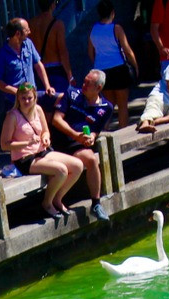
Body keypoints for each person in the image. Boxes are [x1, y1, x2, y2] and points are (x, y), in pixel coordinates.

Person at [0, 84, 83, 219]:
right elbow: (4, 145)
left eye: (29, 98)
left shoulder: (38, 110)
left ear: (34, 98)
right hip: (25, 158)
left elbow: (45, 131)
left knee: (77, 165)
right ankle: (47, 202)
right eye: (23, 98)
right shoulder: (12, 116)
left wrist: (45, 138)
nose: (27, 101)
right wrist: (27, 143)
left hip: (42, 151)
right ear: (18, 99)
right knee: (61, 170)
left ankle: (58, 198)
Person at [50, 70, 114, 221]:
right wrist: (75, 135)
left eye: (88, 83)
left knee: (91, 159)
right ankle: (56, 199)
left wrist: (91, 137)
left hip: (79, 145)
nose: (83, 85)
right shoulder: (71, 94)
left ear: (98, 88)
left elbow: (96, 130)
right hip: (62, 141)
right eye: (84, 81)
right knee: (83, 160)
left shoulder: (106, 107)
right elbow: (56, 120)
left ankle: (96, 204)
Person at [88, 0, 140, 129]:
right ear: (112, 12)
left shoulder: (93, 29)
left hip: (102, 70)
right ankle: (123, 135)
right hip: (118, 69)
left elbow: (90, 51)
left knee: (107, 105)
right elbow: (127, 50)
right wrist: (136, 66)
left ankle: (104, 133)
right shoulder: (116, 28)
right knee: (122, 106)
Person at [0, 18, 56, 114]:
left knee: (59, 99)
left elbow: (38, 65)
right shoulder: (3, 55)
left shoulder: (28, 44)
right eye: (26, 30)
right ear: (18, 34)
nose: (29, 32)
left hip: (32, 97)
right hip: (14, 102)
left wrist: (47, 86)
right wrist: (16, 91)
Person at [30, 0, 73, 94]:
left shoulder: (31, 24)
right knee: (60, 103)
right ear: (52, 5)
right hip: (55, 70)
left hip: (38, 71)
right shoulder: (57, 24)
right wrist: (70, 75)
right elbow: (62, 52)